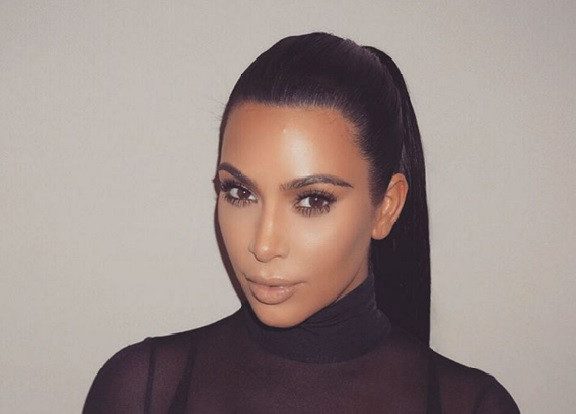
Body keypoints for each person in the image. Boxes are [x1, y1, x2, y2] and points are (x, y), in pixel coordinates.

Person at [83, 32, 520, 413]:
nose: (263, 245)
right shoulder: (141, 390)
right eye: (240, 193)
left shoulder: (473, 405)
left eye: (312, 200)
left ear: (386, 207)